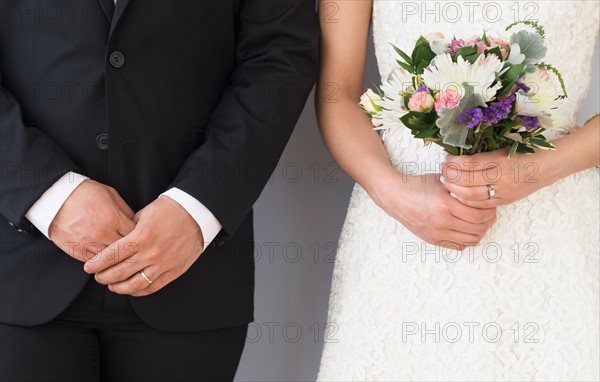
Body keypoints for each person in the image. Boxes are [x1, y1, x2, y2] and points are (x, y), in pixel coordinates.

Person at [0, 0, 318, 380]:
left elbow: (279, 55)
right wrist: (46, 192)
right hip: (16, 266)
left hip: (191, 272)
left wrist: (199, 206)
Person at [316, 1, 599, 380]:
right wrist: (393, 192)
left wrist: (535, 169)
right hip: (402, 232)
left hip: (553, 232)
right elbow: (337, 93)